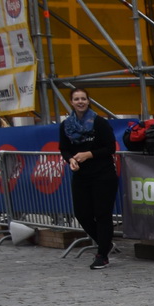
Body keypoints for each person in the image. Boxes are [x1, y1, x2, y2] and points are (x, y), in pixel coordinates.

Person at [57, 88, 119, 271]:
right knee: (81, 213)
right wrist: (71, 160)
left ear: (88, 101)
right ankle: (104, 243)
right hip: (81, 175)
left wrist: (88, 154)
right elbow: (64, 149)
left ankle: (102, 255)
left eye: (83, 98)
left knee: (102, 214)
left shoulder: (99, 123)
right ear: (71, 102)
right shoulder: (66, 125)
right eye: (76, 99)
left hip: (103, 174)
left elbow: (110, 148)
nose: (80, 102)